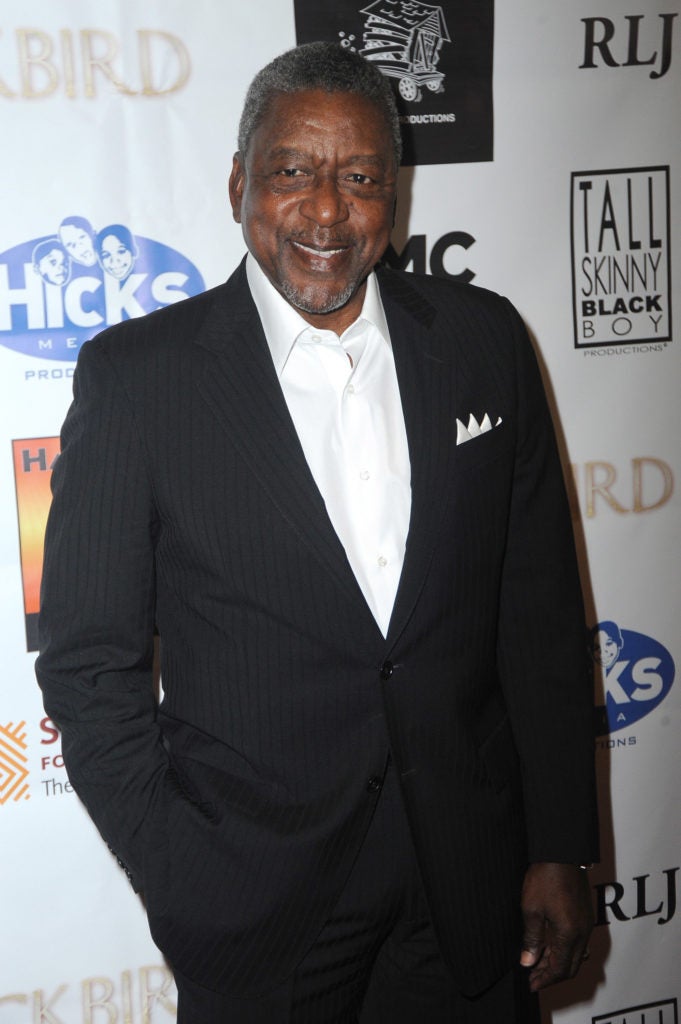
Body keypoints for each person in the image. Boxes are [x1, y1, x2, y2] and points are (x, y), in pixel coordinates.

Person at [37, 41, 598, 1024]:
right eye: (293, 172)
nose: (328, 210)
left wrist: (558, 843)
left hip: (469, 886)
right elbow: (89, 662)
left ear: (396, 196)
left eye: (361, 178)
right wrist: (180, 875)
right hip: (258, 910)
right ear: (238, 186)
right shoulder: (139, 380)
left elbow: (537, 613)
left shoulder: (485, 342)